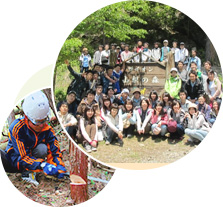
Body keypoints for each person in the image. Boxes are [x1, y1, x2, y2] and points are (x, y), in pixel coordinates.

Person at [0, 91, 66, 185]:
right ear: (27, 118)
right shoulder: (17, 128)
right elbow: (23, 157)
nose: (41, 125)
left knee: (42, 148)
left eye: (44, 120)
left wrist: (58, 165)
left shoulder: (47, 129)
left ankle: (30, 173)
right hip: (13, 161)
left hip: (33, 163)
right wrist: (43, 165)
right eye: (38, 122)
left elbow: (54, 151)